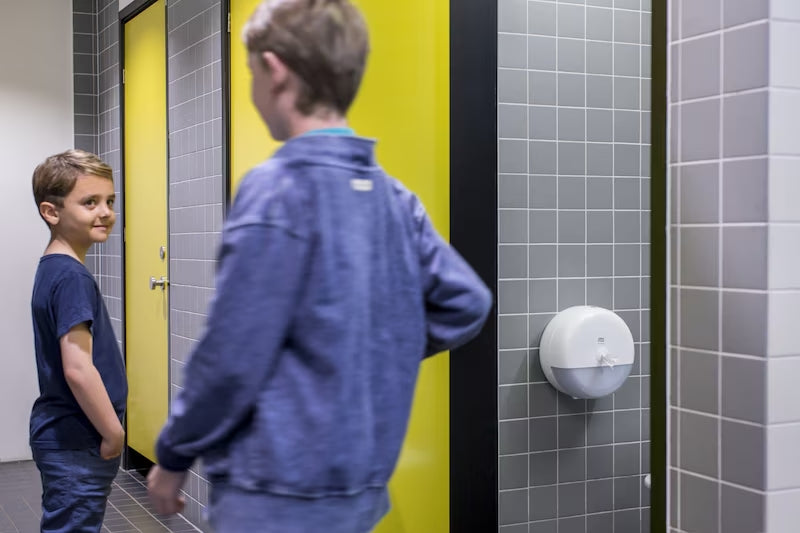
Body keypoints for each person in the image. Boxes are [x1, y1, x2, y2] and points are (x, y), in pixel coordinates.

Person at [146, 0, 492, 531]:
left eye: (251, 74)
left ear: (275, 70)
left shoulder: (277, 191)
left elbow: (231, 356)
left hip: (275, 492)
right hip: (361, 487)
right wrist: (375, 350)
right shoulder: (396, 199)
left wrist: (173, 455)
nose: (253, 91)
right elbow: (467, 301)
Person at [29, 149, 127, 533]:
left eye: (109, 201)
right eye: (90, 202)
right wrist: (113, 433)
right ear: (51, 212)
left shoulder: (54, 266)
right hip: (78, 439)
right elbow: (78, 369)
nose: (105, 212)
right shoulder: (72, 277)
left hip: (67, 436)